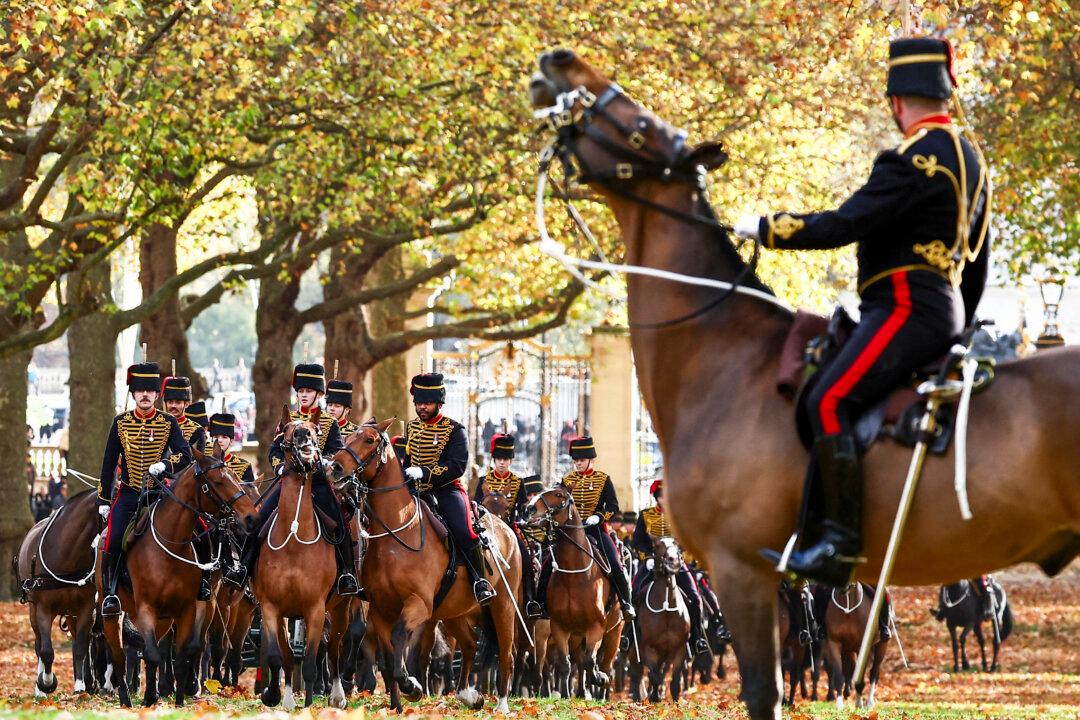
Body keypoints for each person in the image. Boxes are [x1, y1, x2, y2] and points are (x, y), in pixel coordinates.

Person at [742, 37, 992, 586]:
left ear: (897, 101)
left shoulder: (911, 159)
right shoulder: (973, 162)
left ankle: (839, 544)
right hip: (940, 308)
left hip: (904, 307)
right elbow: (976, 262)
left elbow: (843, 225)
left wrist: (765, 228)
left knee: (827, 399)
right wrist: (961, 328)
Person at [225, 363, 357, 595]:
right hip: (289, 483)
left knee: (341, 522)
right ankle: (244, 569)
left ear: (319, 394)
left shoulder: (328, 423)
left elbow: (335, 453)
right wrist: (278, 469)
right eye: (300, 391)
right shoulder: (288, 420)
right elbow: (275, 451)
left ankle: (346, 573)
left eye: (308, 391)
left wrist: (323, 462)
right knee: (258, 521)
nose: (303, 395)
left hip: (316, 483)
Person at [97, 362, 192, 616]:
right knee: (114, 538)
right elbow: (107, 465)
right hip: (129, 494)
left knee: (194, 528)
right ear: (133, 394)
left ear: (157, 394)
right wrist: (104, 500)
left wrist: (165, 464)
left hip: (159, 493)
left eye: (150, 390)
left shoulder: (168, 422)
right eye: (140, 390)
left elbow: (185, 455)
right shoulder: (120, 423)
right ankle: (110, 594)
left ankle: (201, 582)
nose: (145, 395)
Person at [403, 372, 496, 605]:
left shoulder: (454, 430)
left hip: (446, 490)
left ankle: (479, 580)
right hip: (415, 491)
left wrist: (425, 472)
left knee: (464, 531)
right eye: (418, 403)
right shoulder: (412, 428)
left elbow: (457, 466)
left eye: (427, 403)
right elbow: (407, 462)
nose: (422, 407)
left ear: (439, 403)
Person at [536, 437, 635, 619]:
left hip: (594, 530)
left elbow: (613, 507)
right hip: (569, 532)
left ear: (591, 460)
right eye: (575, 460)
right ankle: (540, 603)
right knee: (548, 563)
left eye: (581, 460)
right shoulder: (567, 480)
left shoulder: (603, 479)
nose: (578, 463)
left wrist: (598, 517)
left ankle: (626, 603)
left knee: (615, 563)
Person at [630, 480, 709, 654]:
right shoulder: (646, 515)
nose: (664, 499)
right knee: (634, 593)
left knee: (695, 598)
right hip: (653, 563)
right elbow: (638, 541)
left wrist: (682, 559)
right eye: (661, 496)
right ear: (656, 497)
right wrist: (647, 557)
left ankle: (697, 638)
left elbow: (688, 541)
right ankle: (630, 636)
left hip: (676, 564)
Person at [474, 434, 541, 617]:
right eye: (499, 459)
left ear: (510, 461)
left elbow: (522, 506)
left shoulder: (518, 482)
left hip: (510, 530)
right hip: (487, 531)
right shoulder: (483, 481)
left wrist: (526, 512)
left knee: (526, 560)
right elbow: (475, 505)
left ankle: (529, 600)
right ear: (494, 460)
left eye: (506, 460)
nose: (502, 463)